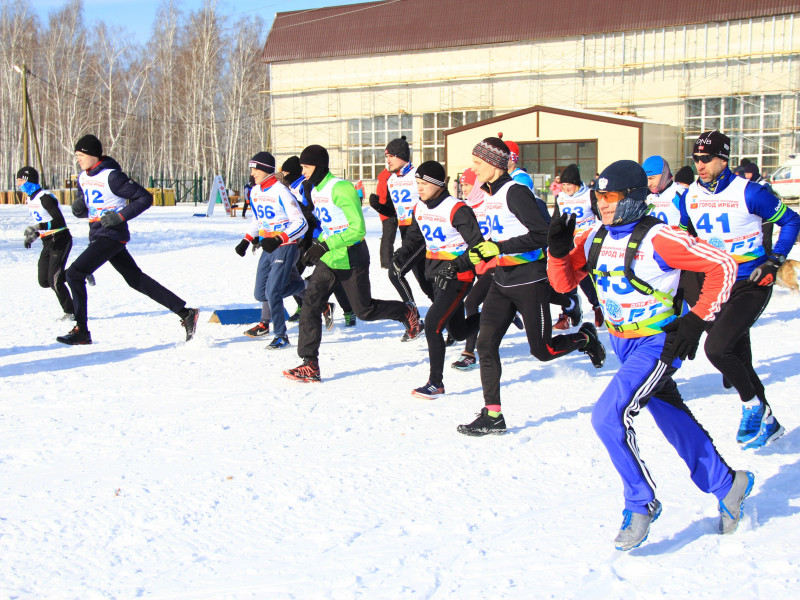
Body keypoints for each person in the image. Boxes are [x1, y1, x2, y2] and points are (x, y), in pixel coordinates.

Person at [547, 158, 753, 551]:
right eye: (598, 196)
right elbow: (563, 283)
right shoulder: (594, 237)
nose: (602, 204)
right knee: (671, 416)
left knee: (608, 416)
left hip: (658, 342)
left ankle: (641, 502)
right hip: (622, 343)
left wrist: (696, 320)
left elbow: (723, 265)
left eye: (610, 197)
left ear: (633, 197)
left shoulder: (660, 237)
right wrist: (558, 250)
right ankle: (728, 484)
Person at [456, 137, 605, 436]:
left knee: (542, 350)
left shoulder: (516, 192)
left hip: (529, 280)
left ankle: (584, 339)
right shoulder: (489, 195)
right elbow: (491, 240)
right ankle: (493, 414)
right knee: (485, 345)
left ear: (495, 164)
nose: (473, 168)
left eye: (478, 163)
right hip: (501, 280)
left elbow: (542, 235)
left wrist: (499, 247)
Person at [679, 130, 800, 449]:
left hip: (751, 282)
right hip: (716, 283)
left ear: (723, 158)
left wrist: (775, 260)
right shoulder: (689, 195)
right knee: (738, 360)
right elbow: (682, 236)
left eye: (706, 159)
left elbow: (792, 221)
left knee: (717, 349)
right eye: (696, 159)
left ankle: (752, 406)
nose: (700, 165)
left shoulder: (750, 192)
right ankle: (770, 422)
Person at [282, 145, 422, 382]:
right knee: (311, 304)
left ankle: (405, 312)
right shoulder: (315, 190)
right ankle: (309, 363)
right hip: (329, 259)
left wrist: (325, 245)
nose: (302, 172)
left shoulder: (341, 188)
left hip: (352, 257)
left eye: (306, 167)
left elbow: (357, 229)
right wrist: (313, 247)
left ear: (318, 165)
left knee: (364, 310)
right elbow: (329, 224)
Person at [60, 135, 198, 345]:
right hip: (98, 234)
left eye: (81, 155)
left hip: (112, 235)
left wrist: (120, 216)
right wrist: (79, 209)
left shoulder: (112, 176)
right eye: (76, 155)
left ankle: (82, 330)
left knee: (74, 273)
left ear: (92, 154)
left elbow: (144, 197)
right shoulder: (82, 178)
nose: (78, 159)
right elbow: (89, 208)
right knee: (135, 279)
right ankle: (185, 312)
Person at [393, 161, 484, 398]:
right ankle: (497, 314)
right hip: (435, 273)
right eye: (417, 183)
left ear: (437, 185)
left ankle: (436, 383)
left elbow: (479, 246)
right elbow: (414, 238)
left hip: (459, 275)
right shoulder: (420, 207)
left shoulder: (457, 209)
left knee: (433, 324)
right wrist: (402, 253)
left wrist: (457, 266)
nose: (419, 188)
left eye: (423, 184)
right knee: (460, 330)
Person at [233, 151, 308, 349]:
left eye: (255, 168)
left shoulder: (281, 191)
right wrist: (247, 240)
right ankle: (307, 285)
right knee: (261, 294)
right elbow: (258, 219)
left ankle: (281, 336)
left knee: (273, 292)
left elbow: (301, 223)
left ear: (266, 170)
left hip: (285, 246)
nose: (252, 173)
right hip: (268, 247)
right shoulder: (256, 191)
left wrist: (279, 238)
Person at [384, 136, 434, 329]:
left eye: (391, 156)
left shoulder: (417, 175)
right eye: (386, 156)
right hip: (406, 233)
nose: (388, 160)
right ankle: (449, 317)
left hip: (421, 233)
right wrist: (382, 208)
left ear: (403, 156)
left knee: (396, 272)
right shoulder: (391, 180)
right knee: (426, 283)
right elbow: (396, 209)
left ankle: (415, 319)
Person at [18, 166, 75, 320]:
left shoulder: (45, 197)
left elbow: (59, 221)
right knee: (44, 280)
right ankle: (78, 273)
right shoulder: (31, 199)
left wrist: (38, 227)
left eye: (20, 180)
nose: (19, 184)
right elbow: (43, 223)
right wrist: (35, 235)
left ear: (28, 180)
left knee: (54, 280)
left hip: (60, 239)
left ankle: (70, 312)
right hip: (47, 241)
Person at [552, 163, 603, 329]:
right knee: (566, 277)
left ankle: (597, 306)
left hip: (585, 243)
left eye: (569, 185)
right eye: (564, 185)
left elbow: (601, 216)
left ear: (577, 183)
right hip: (567, 243)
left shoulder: (589, 195)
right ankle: (567, 312)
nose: (566, 188)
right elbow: (556, 219)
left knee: (585, 278)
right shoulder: (560, 197)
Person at [368, 168, 397, 271]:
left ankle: (386, 261)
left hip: (384, 211)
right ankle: (387, 262)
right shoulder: (388, 180)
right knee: (388, 238)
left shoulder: (382, 179)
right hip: (388, 211)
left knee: (386, 237)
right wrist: (392, 209)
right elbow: (387, 196)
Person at [642, 155, 683, 227]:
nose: (648, 184)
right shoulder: (650, 197)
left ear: (664, 174)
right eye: (646, 179)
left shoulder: (680, 193)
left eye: (652, 178)